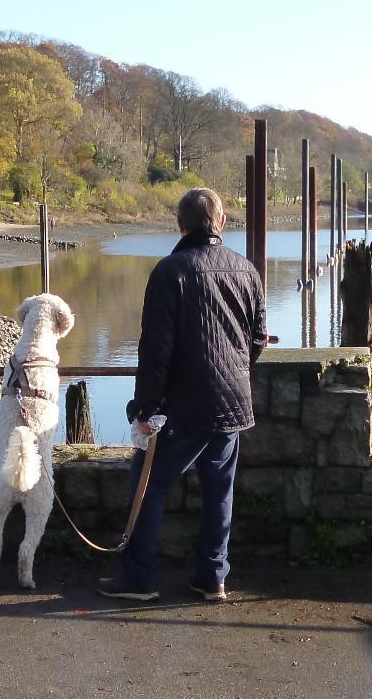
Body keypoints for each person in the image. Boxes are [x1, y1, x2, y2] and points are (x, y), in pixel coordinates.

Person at [97, 187, 267, 602]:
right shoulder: (247, 270)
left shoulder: (169, 271)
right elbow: (258, 339)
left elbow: (155, 350)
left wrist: (145, 407)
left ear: (180, 224)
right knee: (219, 490)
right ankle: (212, 578)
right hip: (232, 402)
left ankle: (139, 579)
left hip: (184, 407)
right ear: (221, 222)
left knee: (148, 485)